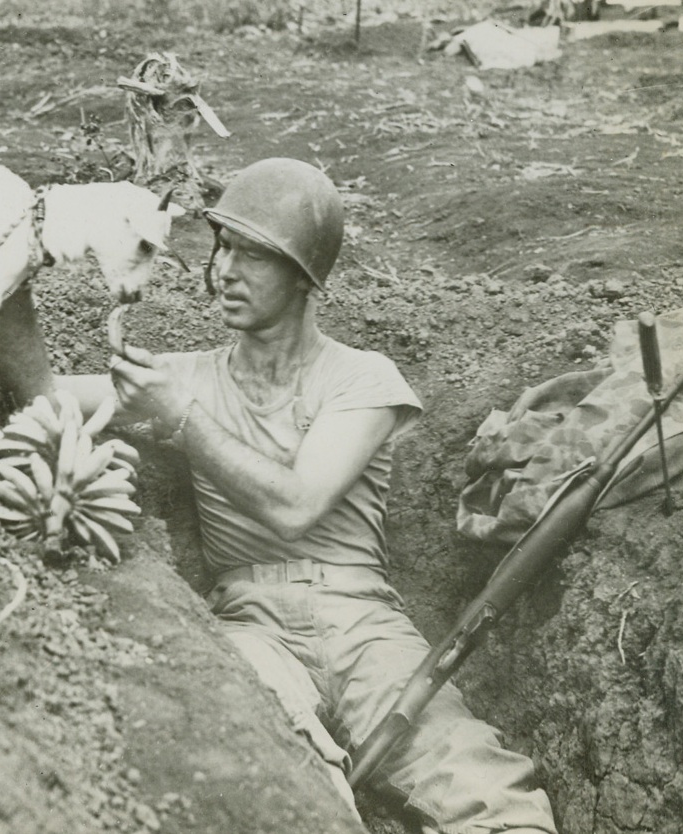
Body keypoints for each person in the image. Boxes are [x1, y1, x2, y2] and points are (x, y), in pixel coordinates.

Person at [61, 158, 557, 833]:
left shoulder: (360, 378)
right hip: (249, 625)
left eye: (253, 256)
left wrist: (182, 420)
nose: (224, 271)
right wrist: (2, 292)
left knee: (488, 796)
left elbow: (297, 504)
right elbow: (42, 395)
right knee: (271, 786)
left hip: (363, 624)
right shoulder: (184, 377)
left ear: (304, 277)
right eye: (223, 246)